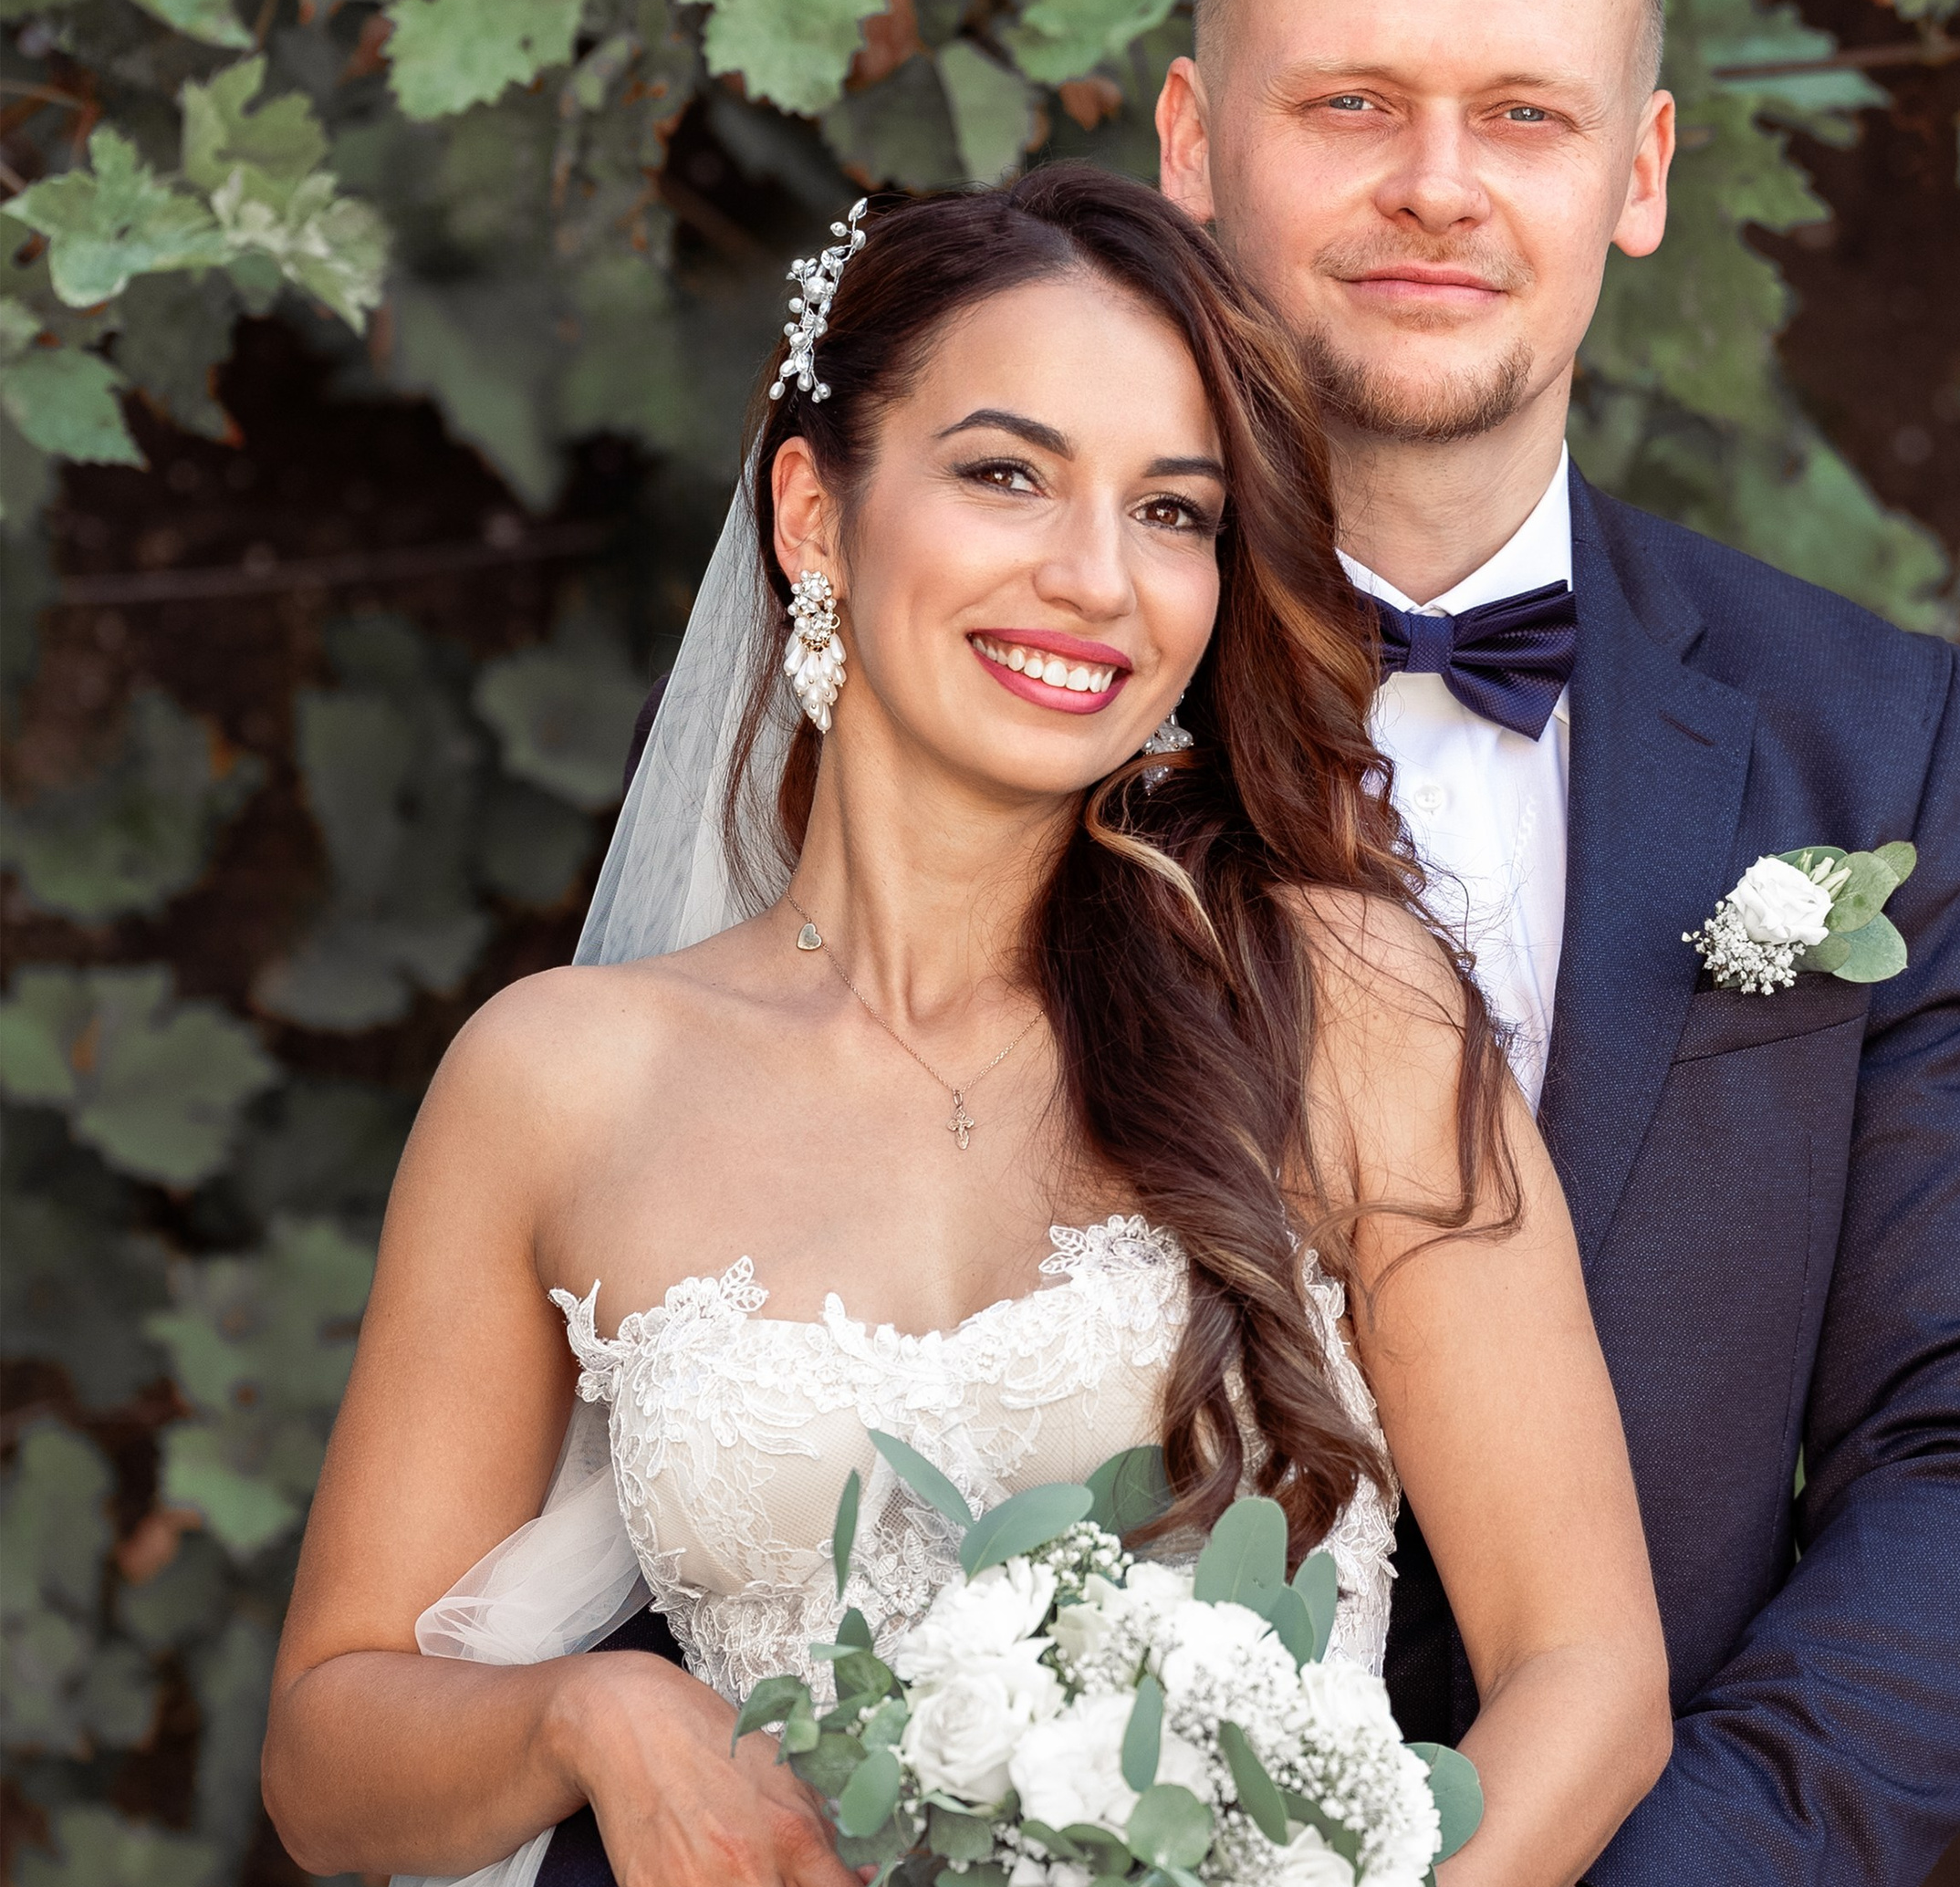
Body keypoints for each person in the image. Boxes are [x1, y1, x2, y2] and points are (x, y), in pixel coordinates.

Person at [260, 169, 1673, 1887]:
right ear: (812, 515)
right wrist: (593, 1720)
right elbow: (330, 1758)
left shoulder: (1345, 1003)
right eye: (1007, 475)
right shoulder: (557, 1080)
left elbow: (1587, 1672)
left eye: (1173, 513)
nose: (1094, 577)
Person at [1152, 0, 1960, 1882]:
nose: (1436, 182)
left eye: (1521, 112)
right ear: (1190, 141)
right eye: (1347, 103)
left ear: (1639, 167)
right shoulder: (1008, 684)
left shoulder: (1868, 747)